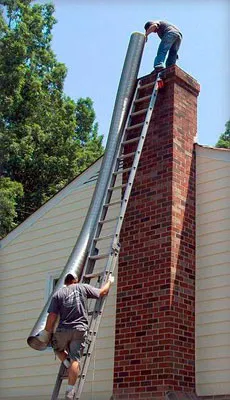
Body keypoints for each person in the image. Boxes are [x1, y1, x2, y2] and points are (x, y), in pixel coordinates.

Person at [39, 272, 114, 400]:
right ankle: (70, 392)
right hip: (79, 330)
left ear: (65, 282)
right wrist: (110, 282)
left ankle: (67, 362)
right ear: (76, 280)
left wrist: (46, 332)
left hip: (63, 330)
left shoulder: (58, 294)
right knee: (75, 360)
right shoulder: (82, 287)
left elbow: (52, 316)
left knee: (56, 347)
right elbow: (102, 292)